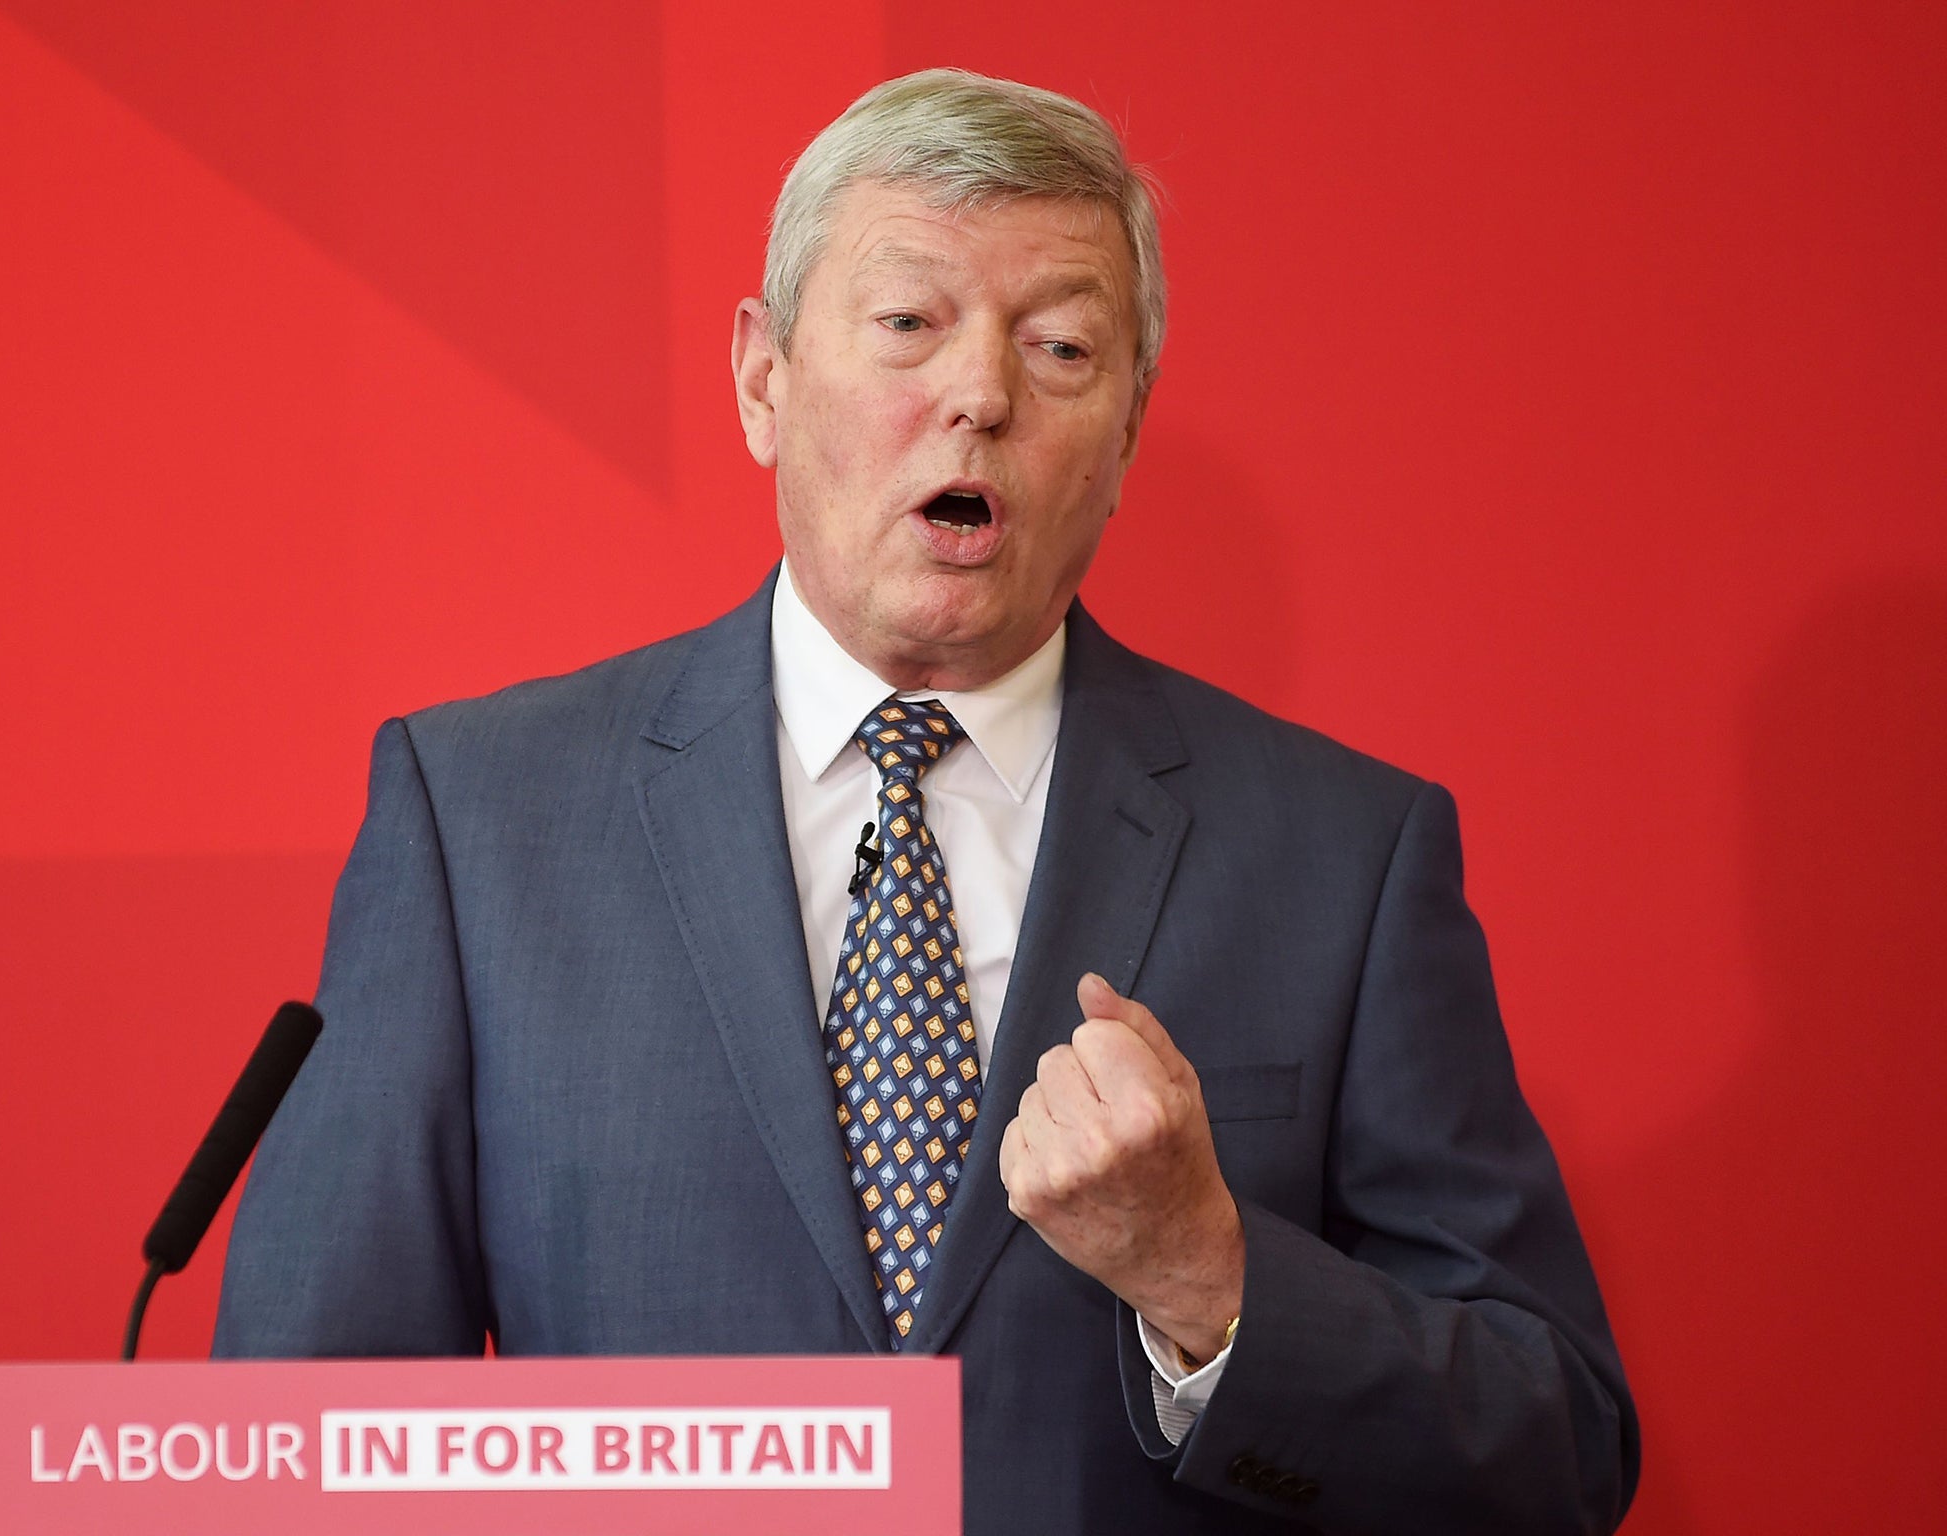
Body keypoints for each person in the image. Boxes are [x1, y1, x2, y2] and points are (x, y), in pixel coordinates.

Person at [215, 68, 1639, 1532]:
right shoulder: (481, 822)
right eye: (908, 324)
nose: (981, 394)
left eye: (1065, 347)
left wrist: (1208, 1272)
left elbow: (1555, 1448)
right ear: (763, 377)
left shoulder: (1346, 856)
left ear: (1131, 430)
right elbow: (302, 1433)